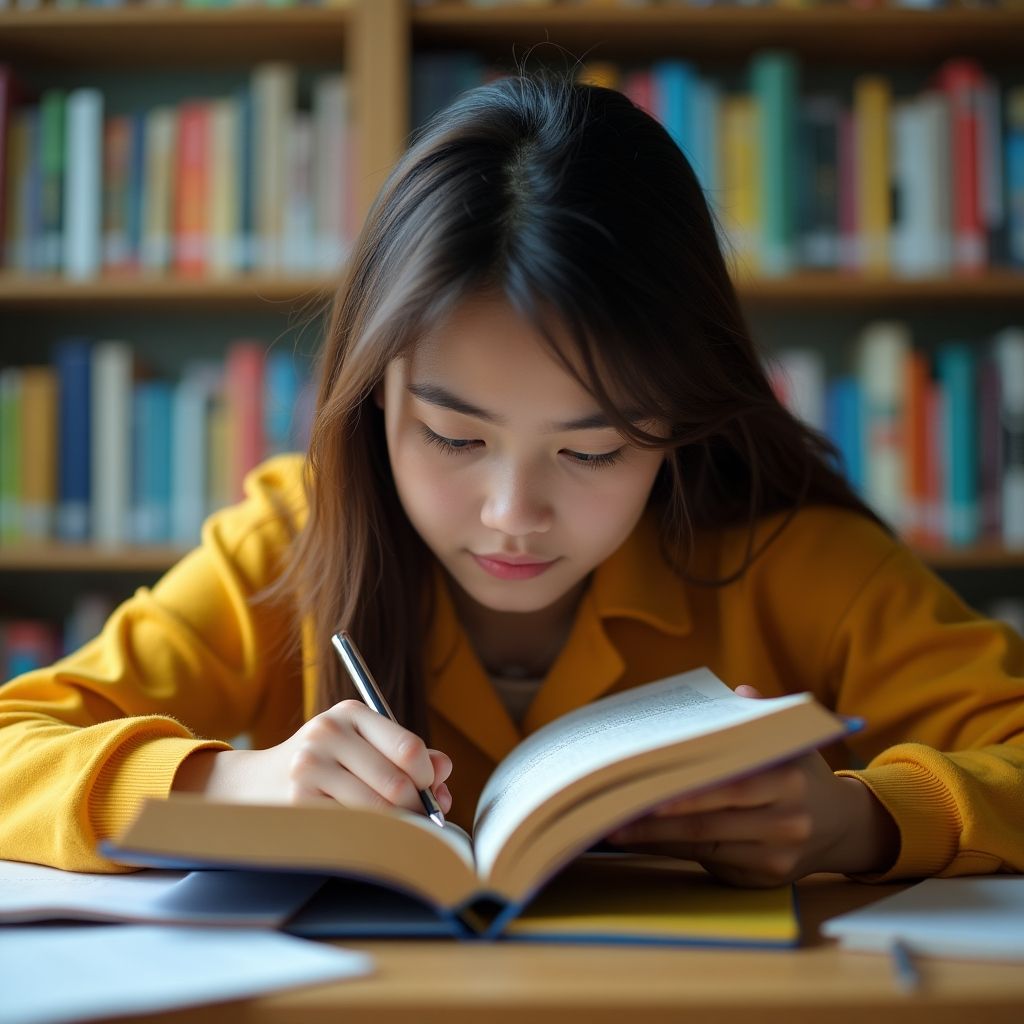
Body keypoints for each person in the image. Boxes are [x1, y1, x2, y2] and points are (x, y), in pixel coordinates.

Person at [1, 74, 1021, 887]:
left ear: (678, 421)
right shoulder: (290, 538)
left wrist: (859, 817)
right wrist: (231, 783)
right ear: (374, 401)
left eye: (592, 451)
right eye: (451, 435)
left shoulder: (793, 555)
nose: (511, 515)